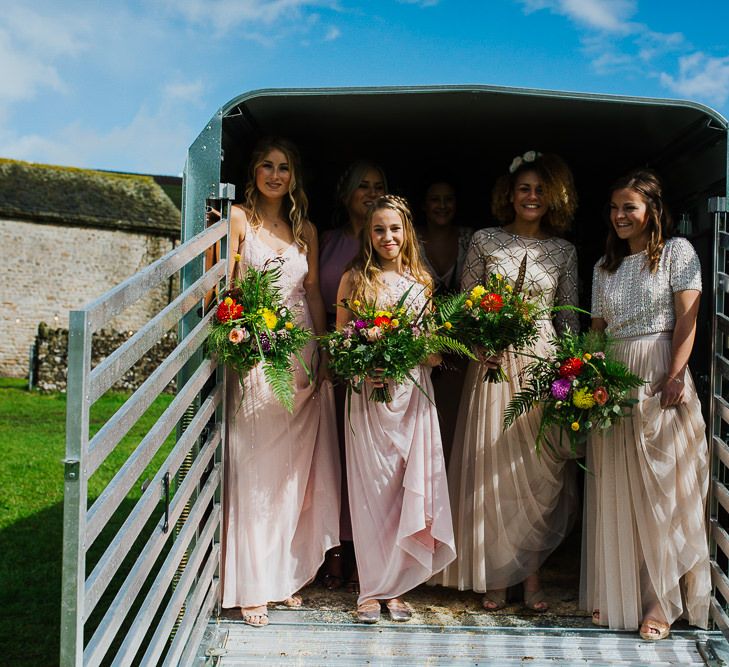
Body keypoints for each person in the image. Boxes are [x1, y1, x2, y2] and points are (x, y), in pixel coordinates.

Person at [434, 151, 580, 612]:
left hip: (542, 361)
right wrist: (480, 345)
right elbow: (464, 304)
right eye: (524, 188)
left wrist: (571, 373)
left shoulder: (564, 250)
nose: (531, 196)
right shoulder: (485, 240)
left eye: (539, 189)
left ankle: (531, 575)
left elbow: (568, 318)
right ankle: (496, 575)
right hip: (494, 363)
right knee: (493, 470)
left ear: (552, 196)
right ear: (509, 194)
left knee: (538, 474)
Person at [581, 168, 710, 641]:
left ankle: (661, 599)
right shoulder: (603, 267)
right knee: (619, 486)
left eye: (629, 207)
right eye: (614, 208)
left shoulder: (678, 252)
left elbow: (687, 319)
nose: (619, 216)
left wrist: (674, 375)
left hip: (658, 371)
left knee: (664, 489)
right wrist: (587, 381)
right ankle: (622, 594)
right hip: (613, 379)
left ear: (652, 210)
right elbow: (596, 330)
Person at [221, 137, 340, 627]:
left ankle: (283, 575)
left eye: (284, 168)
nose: (275, 175)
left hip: (301, 356)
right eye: (267, 166)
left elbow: (311, 296)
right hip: (257, 356)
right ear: (254, 173)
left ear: (294, 177)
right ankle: (251, 584)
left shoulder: (305, 229)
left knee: (294, 474)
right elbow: (226, 285)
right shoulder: (238, 219)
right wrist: (238, 327)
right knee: (254, 469)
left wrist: (326, 350)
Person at [335, 194, 456, 623]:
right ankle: (370, 590)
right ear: (368, 235)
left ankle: (398, 587)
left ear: (408, 232)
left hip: (411, 396)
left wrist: (412, 352)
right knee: (373, 493)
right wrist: (365, 366)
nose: (388, 237)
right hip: (369, 397)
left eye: (395, 228)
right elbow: (339, 345)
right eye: (379, 229)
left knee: (407, 488)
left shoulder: (421, 280)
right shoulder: (354, 280)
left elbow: (436, 353)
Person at [318, 160, 387, 593]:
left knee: (372, 461)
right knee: (333, 456)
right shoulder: (326, 242)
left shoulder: (390, 243)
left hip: (381, 363)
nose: (371, 192)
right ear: (345, 194)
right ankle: (333, 551)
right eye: (362, 185)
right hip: (333, 356)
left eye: (379, 186)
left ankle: (368, 553)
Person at [417, 178, 474, 463]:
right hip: (419, 343)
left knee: (452, 415)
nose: (441, 206)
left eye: (448, 199)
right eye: (434, 199)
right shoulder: (411, 238)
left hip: (459, 343)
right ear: (424, 205)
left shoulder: (468, 238)